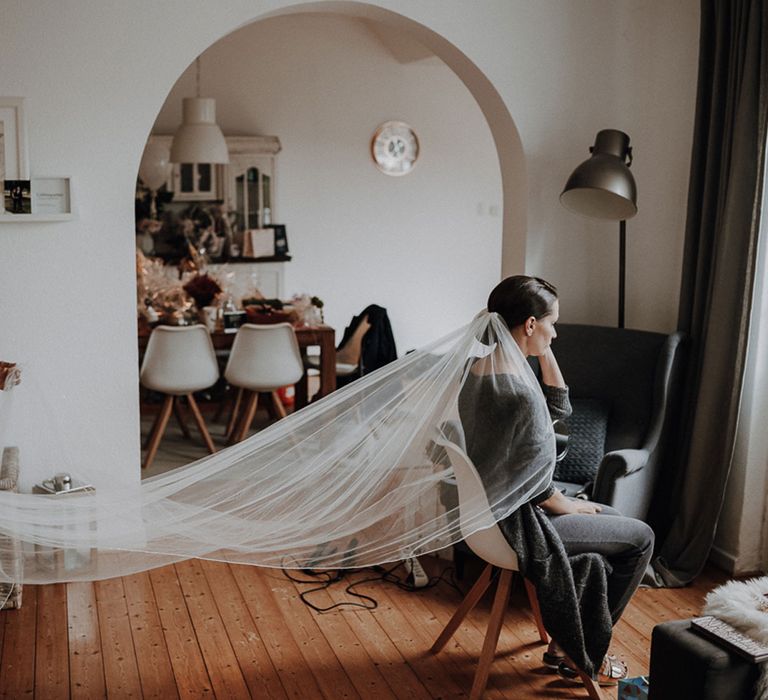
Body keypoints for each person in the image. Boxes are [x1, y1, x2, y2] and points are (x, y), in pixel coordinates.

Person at [458, 275, 654, 686]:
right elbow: (540, 488)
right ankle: (580, 647)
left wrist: (545, 355)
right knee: (640, 538)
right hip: (517, 525)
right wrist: (571, 505)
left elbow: (556, 408)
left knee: (599, 550)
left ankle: (565, 644)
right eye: (552, 323)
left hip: (484, 518)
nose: (556, 332)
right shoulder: (520, 393)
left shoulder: (476, 371)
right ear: (530, 324)